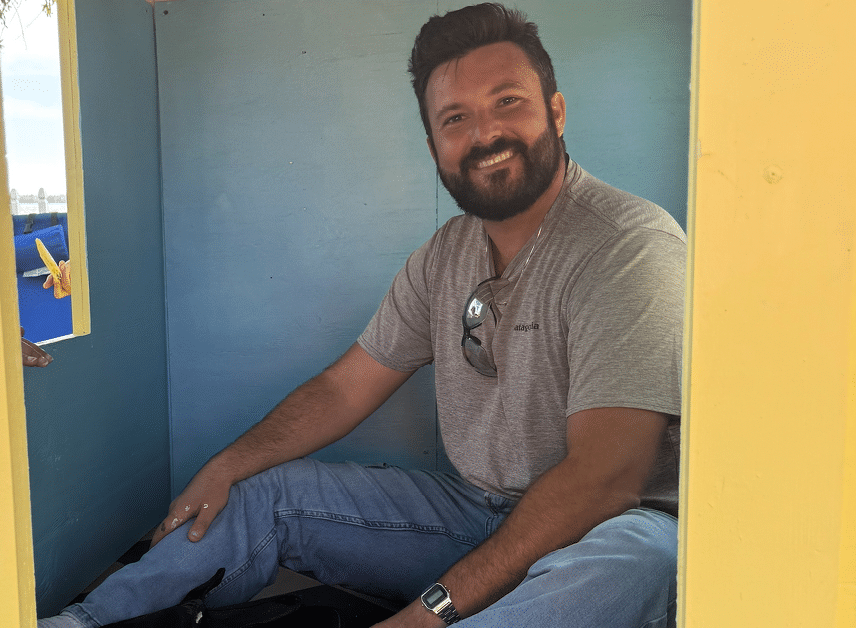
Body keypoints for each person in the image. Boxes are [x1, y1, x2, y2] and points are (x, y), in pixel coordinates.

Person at [41, 3, 684, 627]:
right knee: (262, 488)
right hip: (473, 513)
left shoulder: (626, 245)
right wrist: (227, 467)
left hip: (598, 531)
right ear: (433, 145)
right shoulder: (444, 255)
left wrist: (424, 614)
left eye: (507, 101)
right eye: (455, 118)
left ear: (557, 110)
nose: (485, 133)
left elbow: (605, 479)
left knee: (644, 560)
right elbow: (345, 387)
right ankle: (84, 620)